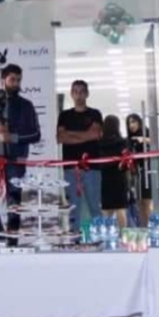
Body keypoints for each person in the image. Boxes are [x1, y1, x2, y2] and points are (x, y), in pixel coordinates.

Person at [0, 64, 41, 241]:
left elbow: (36, 134)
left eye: (19, 80)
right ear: (2, 80)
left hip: (14, 161)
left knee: (14, 205)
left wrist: (13, 138)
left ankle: (12, 242)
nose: (16, 83)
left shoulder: (26, 105)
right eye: (12, 80)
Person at [57, 80, 103, 230]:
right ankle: (74, 239)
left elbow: (95, 134)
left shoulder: (95, 114)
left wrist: (71, 134)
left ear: (87, 93)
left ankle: (100, 237)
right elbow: (61, 137)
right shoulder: (64, 115)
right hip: (70, 168)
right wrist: (85, 134)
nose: (79, 95)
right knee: (73, 209)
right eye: (75, 91)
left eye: (82, 91)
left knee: (95, 207)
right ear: (71, 94)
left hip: (92, 168)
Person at [99, 115, 130, 229]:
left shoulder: (99, 143)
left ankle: (106, 233)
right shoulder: (122, 142)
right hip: (119, 177)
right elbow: (127, 161)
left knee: (106, 209)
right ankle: (123, 234)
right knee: (120, 208)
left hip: (105, 178)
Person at [126, 113, 153, 226]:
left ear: (139, 122)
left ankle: (147, 226)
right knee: (138, 203)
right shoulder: (129, 140)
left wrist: (143, 140)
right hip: (136, 174)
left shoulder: (146, 133)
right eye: (129, 123)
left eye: (133, 122)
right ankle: (142, 226)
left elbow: (154, 142)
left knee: (146, 201)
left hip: (148, 172)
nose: (131, 125)